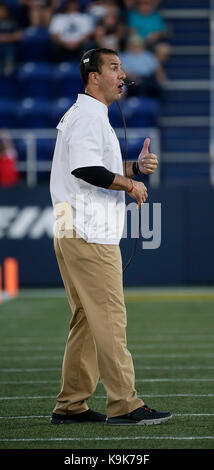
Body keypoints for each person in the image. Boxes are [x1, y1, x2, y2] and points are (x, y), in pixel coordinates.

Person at [50, 47, 172, 425]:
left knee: (87, 319)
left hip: (69, 224)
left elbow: (90, 165)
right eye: (114, 67)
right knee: (110, 317)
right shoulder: (90, 116)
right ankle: (125, 403)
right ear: (94, 76)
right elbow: (87, 169)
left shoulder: (83, 113)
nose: (123, 74)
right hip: (89, 231)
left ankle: (71, 405)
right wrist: (130, 184)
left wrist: (133, 166)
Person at [120, 32, 166, 98]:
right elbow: (124, 71)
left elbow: (157, 69)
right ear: (129, 45)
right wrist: (133, 78)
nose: (136, 47)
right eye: (134, 45)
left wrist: (161, 80)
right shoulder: (124, 57)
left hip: (147, 79)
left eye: (138, 45)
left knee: (156, 88)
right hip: (131, 80)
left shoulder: (148, 56)